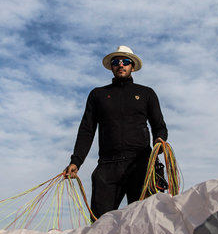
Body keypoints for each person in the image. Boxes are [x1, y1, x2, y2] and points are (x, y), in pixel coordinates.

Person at [64, 45, 168, 220]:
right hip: (107, 166)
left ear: (132, 66)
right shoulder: (98, 95)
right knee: (100, 223)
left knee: (145, 220)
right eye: (116, 62)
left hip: (141, 164)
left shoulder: (146, 93)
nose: (121, 65)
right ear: (111, 66)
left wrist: (160, 140)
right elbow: (87, 130)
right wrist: (76, 161)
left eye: (126, 61)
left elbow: (159, 126)